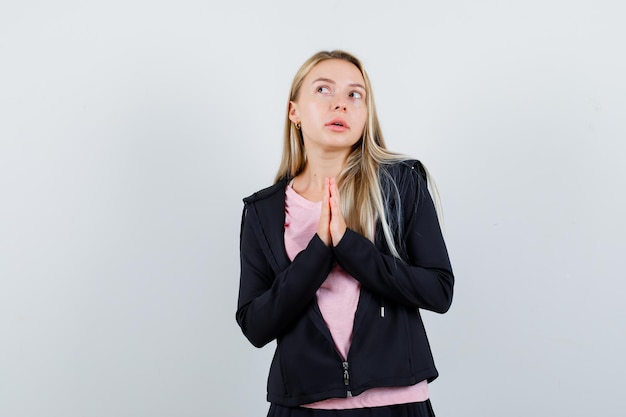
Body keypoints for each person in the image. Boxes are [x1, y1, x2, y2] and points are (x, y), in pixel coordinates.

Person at [236, 50, 454, 417]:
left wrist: (348, 245)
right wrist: (320, 250)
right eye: (323, 90)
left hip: (397, 404)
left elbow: (439, 291)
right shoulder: (263, 211)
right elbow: (256, 326)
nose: (341, 104)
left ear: (366, 115)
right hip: (302, 406)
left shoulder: (402, 185)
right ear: (295, 112)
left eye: (355, 95)